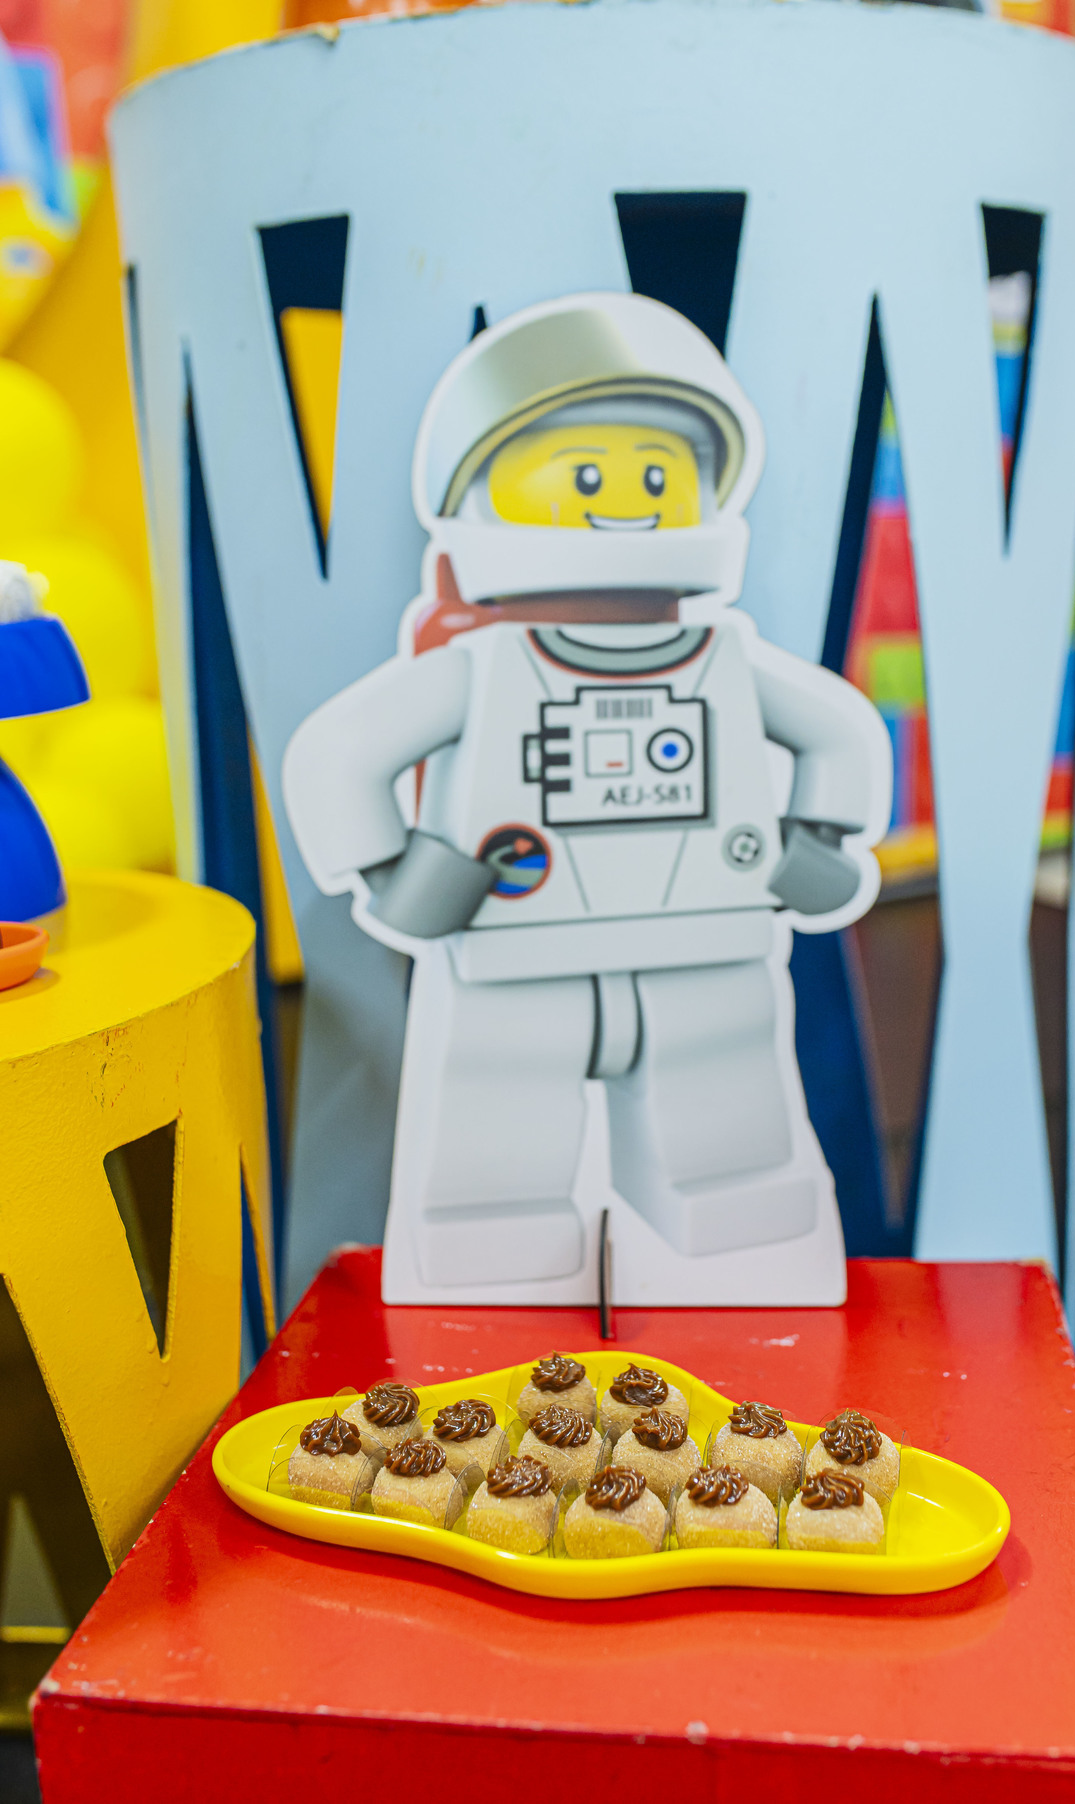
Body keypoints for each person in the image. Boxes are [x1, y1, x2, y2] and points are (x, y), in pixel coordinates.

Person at [284, 292, 891, 1292]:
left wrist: (817, 838)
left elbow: (838, 729)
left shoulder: (725, 659)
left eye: (657, 474)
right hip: (520, 946)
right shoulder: (481, 666)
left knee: (725, 1112)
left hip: (707, 938)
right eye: (584, 474)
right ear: (484, 489)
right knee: (499, 1112)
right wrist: (396, 871)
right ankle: (493, 1228)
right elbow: (337, 756)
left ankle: (729, 1203)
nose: (625, 501)